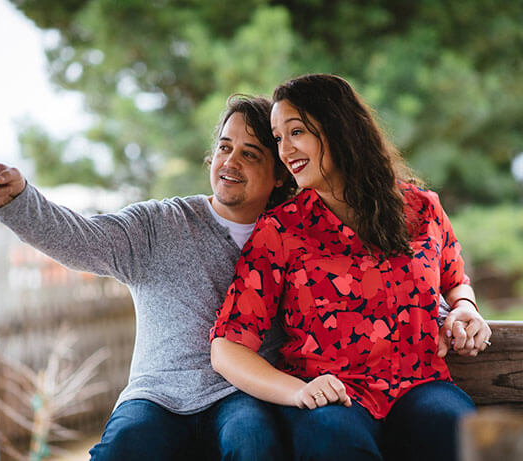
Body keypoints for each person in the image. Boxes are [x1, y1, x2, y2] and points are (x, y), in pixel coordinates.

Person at [0, 95, 297, 461]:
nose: (230, 161)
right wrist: (16, 200)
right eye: (225, 147)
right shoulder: (161, 224)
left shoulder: (293, 241)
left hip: (241, 395)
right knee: (124, 445)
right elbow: (79, 238)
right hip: (157, 395)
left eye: (250, 154)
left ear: (278, 175)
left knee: (256, 444)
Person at [210, 74, 492, 461]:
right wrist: (298, 391)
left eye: (296, 132)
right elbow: (227, 348)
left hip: (420, 384)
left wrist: (465, 310)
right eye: (278, 138)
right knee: (332, 440)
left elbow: (456, 281)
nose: (285, 149)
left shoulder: (423, 209)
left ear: (338, 128)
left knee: (456, 430)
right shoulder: (281, 228)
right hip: (331, 395)